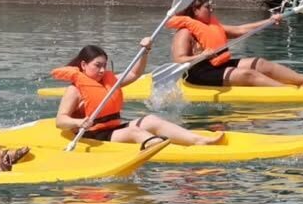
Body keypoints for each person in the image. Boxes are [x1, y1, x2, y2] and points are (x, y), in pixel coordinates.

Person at [52, 38, 224, 146]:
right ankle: (166, 148)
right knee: (135, 132)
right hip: (93, 135)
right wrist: (80, 122)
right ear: (83, 65)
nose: (103, 70)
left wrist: (145, 52)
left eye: (105, 65)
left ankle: (197, 140)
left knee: (151, 120)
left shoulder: (110, 82)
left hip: (113, 129)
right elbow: (60, 121)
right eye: (98, 65)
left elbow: (135, 73)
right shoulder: (74, 90)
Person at [167, 0, 303, 88]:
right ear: (195, 10)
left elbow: (240, 30)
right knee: (248, 74)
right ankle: (289, 91)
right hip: (198, 74)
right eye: (207, 7)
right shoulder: (184, 32)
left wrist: (269, 20)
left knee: (259, 63)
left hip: (218, 65)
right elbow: (179, 60)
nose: (212, 9)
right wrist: (202, 55)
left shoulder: (211, 26)